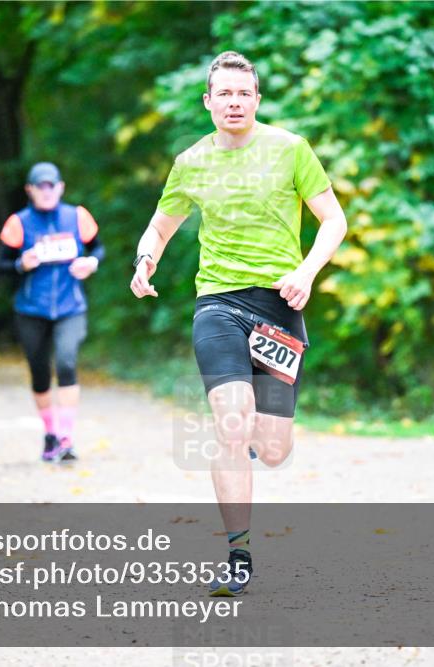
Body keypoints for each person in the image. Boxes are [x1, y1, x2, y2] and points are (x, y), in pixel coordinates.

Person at [129, 51, 347, 596]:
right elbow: (159, 227)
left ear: (257, 100)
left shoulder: (291, 149)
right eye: (224, 94)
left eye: (243, 93)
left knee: (272, 449)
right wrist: (144, 261)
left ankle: (247, 439)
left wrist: (306, 272)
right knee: (230, 424)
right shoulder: (191, 162)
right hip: (218, 304)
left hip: (279, 305)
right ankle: (238, 555)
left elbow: (333, 220)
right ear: (208, 102)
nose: (234, 102)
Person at [0, 162, 104, 463]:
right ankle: (50, 433)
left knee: (67, 362)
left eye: (51, 186)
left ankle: (67, 438)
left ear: (61, 188)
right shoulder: (18, 223)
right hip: (31, 309)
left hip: (71, 307)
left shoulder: (77, 216)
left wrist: (91, 263)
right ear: (29, 190)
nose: (46, 192)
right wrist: (21, 264)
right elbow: (0, 267)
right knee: (40, 371)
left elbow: (98, 249)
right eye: (40, 187)